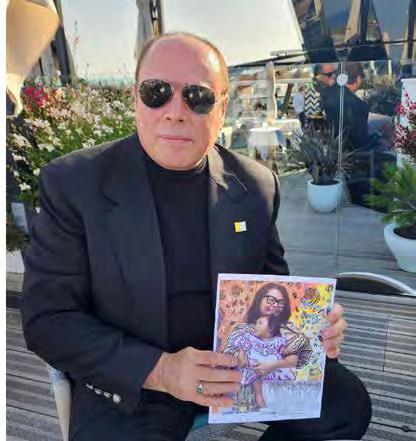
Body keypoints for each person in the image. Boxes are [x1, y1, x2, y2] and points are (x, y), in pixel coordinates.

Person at [20, 32, 371, 441]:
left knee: (345, 407)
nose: (175, 112)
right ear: (135, 98)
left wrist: (313, 327)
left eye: (198, 97)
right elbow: (48, 319)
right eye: (157, 92)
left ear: (221, 108)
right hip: (134, 384)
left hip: (238, 365)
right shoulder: (75, 184)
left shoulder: (255, 185)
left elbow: (274, 289)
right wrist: (163, 371)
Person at [223, 283, 309, 411]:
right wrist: (240, 357)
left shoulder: (286, 332)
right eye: (271, 299)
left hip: (278, 393)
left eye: (281, 303)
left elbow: (298, 359)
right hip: (244, 396)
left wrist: (273, 365)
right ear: (259, 300)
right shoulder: (243, 329)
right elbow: (228, 352)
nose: (275, 305)